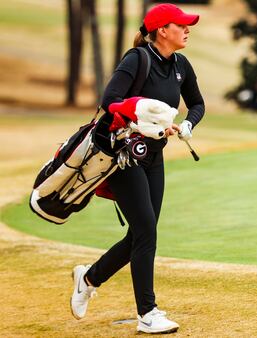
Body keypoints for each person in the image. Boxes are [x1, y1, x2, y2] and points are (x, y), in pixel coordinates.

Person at [69, 3, 205, 334]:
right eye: (181, 25)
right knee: (146, 231)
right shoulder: (137, 59)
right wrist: (143, 115)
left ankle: (89, 277)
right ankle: (148, 313)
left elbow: (197, 103)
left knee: (141, 234)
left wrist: (187, 124)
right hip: (123, 155)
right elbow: (110, 100)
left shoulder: (180, 65)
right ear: (162, 30)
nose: (187, 29)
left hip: (154, 157)